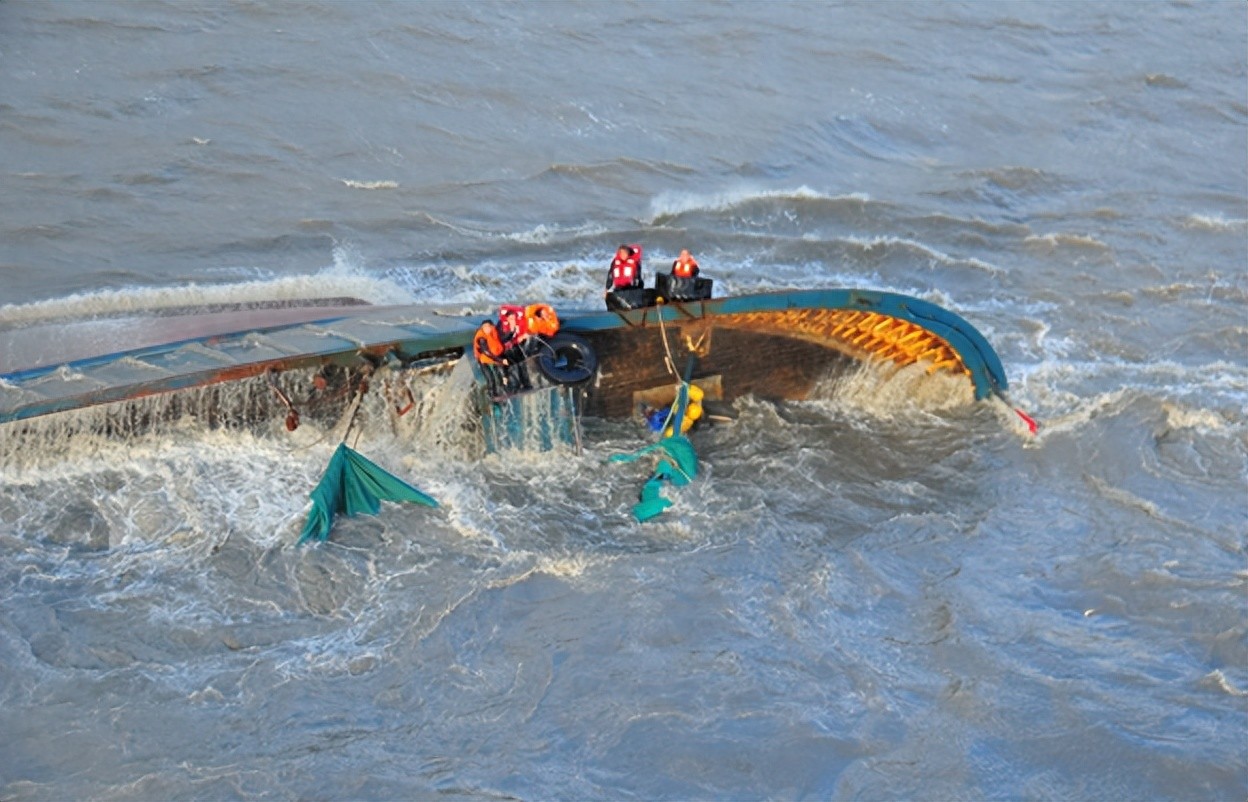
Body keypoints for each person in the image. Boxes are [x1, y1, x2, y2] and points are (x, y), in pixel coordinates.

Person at [472, 319, 509, 397]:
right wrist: (501, 360)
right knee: (490, 378)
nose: (486, 329)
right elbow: (487, 352)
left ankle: (505, 390)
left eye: (488, 327)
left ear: (492, 327)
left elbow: (502, 339)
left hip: (494, 357)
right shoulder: (481, 338)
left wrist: (512, 332)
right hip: (483, 359)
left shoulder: (494, 332)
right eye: (484, 327)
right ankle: (492, 395)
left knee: (502, 373)